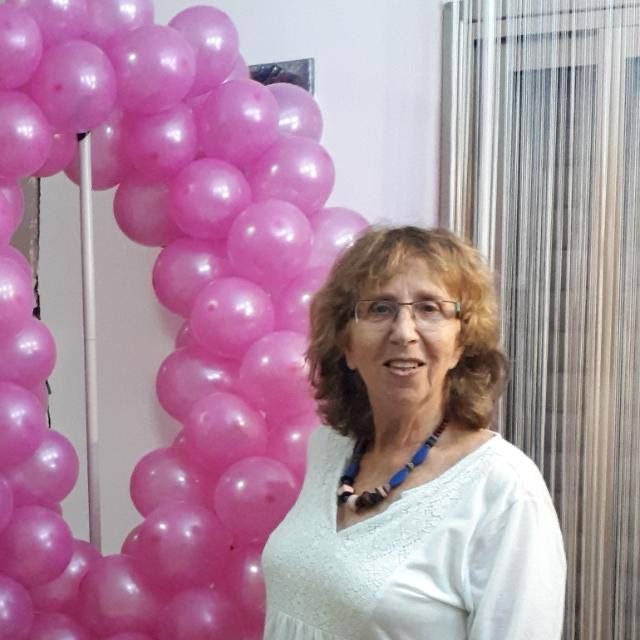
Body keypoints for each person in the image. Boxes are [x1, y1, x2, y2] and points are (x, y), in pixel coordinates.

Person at [261, 226, 566, 640]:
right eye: (379, 309)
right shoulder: (329, 449)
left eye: (429, 309)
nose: (404, 332)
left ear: (461, 344)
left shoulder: (505, 490)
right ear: (347, 345)